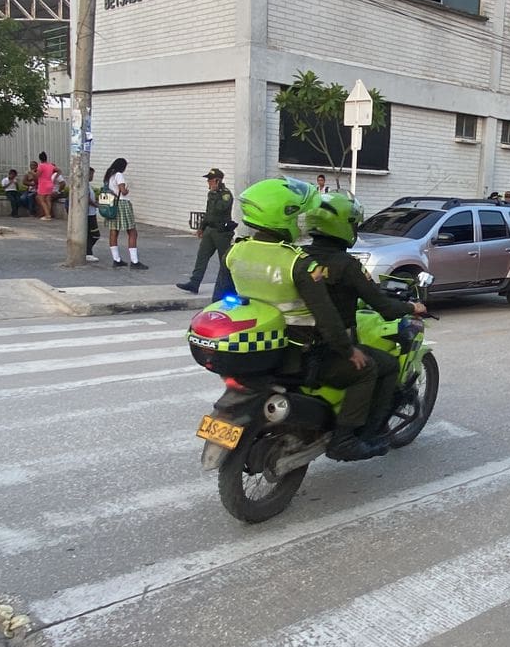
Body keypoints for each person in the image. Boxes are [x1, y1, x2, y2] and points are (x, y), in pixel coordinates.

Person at [224, 177, 380, 462]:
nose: (302, 221)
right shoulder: (298, 263)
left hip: (265, 347)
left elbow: (227, 299)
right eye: (299, 214)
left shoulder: (236, 251)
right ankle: (344, 440)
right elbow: (327, 317)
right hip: (303, 355)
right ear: (283, 215)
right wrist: (349, 351)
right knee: (367, 370)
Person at [304, 191, 429, 455]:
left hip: (299, 346)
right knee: (386, 365)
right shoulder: (347, 266)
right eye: (352, 223)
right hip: (330, 349)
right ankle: (357, 436)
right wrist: (411, 306)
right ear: (342, 225)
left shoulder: (299, 257)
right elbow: (382, 305)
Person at [176, 168, 235, 298]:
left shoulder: (225, 194)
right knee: (202, 256)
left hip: (221, 232)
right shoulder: (211, 194)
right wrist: (202, 227)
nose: (208, 182)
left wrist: (215, 193)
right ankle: (194, 282)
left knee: (224, 261)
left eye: (210, 180)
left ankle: (229, 287)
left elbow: (220, 209)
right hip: (210, 230)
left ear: (217, 181)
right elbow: (209, 212)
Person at [103, 157, 147, 269]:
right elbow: (123, 191)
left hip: (111, 204)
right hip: (122, 204)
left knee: (114, 231)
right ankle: (134, 261)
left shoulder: (108, 176)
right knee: (132, 232)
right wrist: (126, 190)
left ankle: (116, 259)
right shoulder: (119, 175)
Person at [85, 166, 101, 262]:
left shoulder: (88, 185)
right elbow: (87, 198)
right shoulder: (85, 185)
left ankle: (87, 251)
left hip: (91, 212)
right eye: (91, 174)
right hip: (88, 214)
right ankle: (88, 252)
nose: (92, 176)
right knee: (95, 234)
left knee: (91, 234)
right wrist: (96, 205)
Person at [36, 151, 58, 220]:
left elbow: (37, 175)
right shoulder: (51, 165)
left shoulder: (41, 166)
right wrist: (56, 176)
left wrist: (32, 173)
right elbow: (59, 170)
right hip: (50, 183)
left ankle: (47, 215)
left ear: (40, 159)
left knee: (42, 200)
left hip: (43, 184)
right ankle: (48, 214)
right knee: (48, 200)